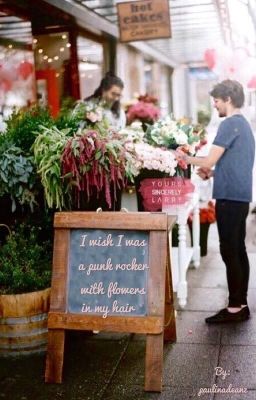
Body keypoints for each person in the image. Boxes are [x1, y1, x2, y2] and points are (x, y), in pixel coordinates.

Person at [176, 79, 255, 323]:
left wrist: (185, 158)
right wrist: (213, 172)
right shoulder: (243, 125)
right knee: (238, 249)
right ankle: (239, 303)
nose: (215, 105)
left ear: (228, 99)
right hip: (239, 196)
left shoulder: (229, 123)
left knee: (229, 250)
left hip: (229, 197)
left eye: (217, 101)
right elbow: (231, 161)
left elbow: (209, 160)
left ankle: (235, 307)